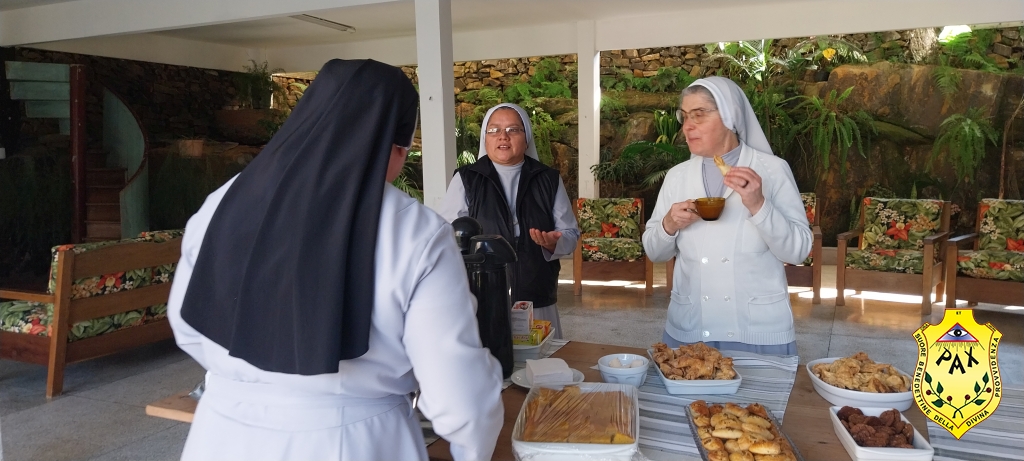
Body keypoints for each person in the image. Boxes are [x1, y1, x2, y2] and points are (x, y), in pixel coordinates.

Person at [167, 59, 504, 461]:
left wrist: (248, 379)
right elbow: (459, 396)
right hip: (354, 440)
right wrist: (472, 453)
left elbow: (188, 325)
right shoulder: (415, 232)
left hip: (220, 436)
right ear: (395, 147)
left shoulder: (222, 202)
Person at [642, 77, 812, 355]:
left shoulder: (772, 170)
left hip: (757, 329)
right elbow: (654, 252)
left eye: (699, 114)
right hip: (691, 327)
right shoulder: (677, 177)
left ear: (730, 116)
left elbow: (798, 251)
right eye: (685, 116)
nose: (687, 126)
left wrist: (759, 204)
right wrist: (669, 224)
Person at [440, 103, 579, 339]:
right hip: (482, 292)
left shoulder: (548, 179)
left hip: (536, 290)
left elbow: (570, 234)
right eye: (494, 130)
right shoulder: (466, 179)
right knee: (490, 355)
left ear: (527, 138)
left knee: (540, 357)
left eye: (513, 130)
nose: (503, 136)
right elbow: (448, 235)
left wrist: (553, 243)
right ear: (485, 138)